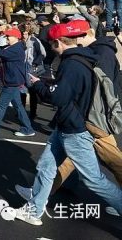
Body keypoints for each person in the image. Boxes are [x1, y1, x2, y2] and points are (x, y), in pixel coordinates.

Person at [14, 21, 122, 226]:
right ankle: (34, 209)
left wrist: (37, 85)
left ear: (58, 43)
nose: (50, 49)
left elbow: (59, 98)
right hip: (68, 126)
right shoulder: (84, 59)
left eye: (51, 45)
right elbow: (69, 91)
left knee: (94, 180)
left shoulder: (71, 64)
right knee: (46, 166)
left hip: (74, 129)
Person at [48, 21, 122, 213]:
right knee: (68, 160)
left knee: (114, 163)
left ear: (84, 35)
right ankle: (40, 195)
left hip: (97, 120)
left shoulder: (102, 53)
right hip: (91, 118)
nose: (73, 40)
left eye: (75, 36)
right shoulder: (96, 52)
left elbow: (102, 90)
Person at [0, 28, 36, 137]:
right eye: (6, 36)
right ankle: (28, 129)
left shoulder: (16, 49)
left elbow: (1, 53)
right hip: (13, 80)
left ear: (16, 37)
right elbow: (1, 52)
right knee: (18, 106)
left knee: (1, 106)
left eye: (8, 36)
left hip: (12, 81)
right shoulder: (14, 47)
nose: (6, 38)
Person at [21, 27, 45, 121]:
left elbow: (43, 53)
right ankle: (22, 111)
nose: (24, 35)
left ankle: (33, 113)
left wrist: (35, 63)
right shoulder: (21, 41)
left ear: (29, 33)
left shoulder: (34, 41)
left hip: (32, 67)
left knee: (32, 91)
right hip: (23, 67)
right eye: (22, 33)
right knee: (22, 90)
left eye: (26, 33)